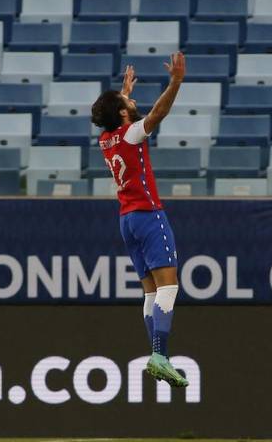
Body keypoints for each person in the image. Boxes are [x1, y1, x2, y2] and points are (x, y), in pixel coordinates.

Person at [91, 52, 190, 388]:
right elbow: (158, 113)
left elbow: (118, 123)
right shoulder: (132, 133)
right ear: (122, 113)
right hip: (148, 215)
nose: (132, 100)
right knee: (169, 286)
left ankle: (158, 354)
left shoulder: (106, 140)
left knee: (150, 292)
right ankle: (160, 355)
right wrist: (175, 82)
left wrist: (121, 97)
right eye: (127, 101)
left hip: (126, 220)